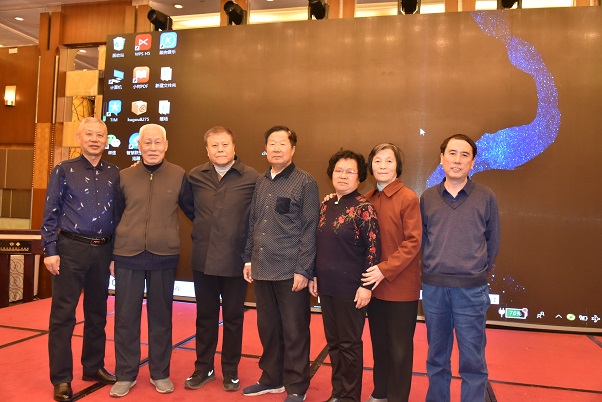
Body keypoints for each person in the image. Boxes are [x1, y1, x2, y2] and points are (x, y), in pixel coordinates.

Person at [109, 124, 194, 397]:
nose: (153, 148)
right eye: (147, 142)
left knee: (161, 318)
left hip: (163, 256)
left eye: (158, 142)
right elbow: (114, 217)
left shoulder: (179, 175)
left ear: (166, 145)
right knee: (125, 319)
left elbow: (195, 212)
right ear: (139, 145)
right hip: (127, 256)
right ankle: (125, 374)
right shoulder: (124, 176)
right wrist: (111, 255)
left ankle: (160, 373)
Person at [41, 117, 118, 402]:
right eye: (89, 134)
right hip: (70, 249)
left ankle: (93, 367)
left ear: (106, 140)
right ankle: (61, 378)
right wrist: (50, 249)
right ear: (79, 137)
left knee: (97, 314)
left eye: (100, 135)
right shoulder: (64, 170)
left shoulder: (115, 173)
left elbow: (119, 217)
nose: (95, 139)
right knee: (63, 317)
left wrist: (115, 254)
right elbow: (50, 211)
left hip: (103, 252)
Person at [420, 134, 500, 402]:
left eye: (464, 155)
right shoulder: (428, 197)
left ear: (472, 162)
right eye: (451, 153)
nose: (457, 160)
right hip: (434, 289)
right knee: (436, 357)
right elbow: (423, 239)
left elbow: (493, 240)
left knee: (473, 361)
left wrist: (475, 272)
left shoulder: (486, 196)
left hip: (471, 290)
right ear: (442, 158)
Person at [242, 125, 320, 402]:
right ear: (266, 148)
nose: (276, 148)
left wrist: (303, 269)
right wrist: (248, 259)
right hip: (262, 267)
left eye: (282, 143)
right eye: (272, 143)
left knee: (295, 331)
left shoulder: (305, 182)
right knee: (269, 328)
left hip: (290, 271)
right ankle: (271, 378)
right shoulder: (261, 181)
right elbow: (254, 222)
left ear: (293, 149)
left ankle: (297, 385)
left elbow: (310, 228)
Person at [184, 126, 259, 392]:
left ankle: (230, 370)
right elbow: (189, 208)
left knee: (233, 319)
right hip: (203, 259)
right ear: (207, 150)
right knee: (204, 318)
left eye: (225, 145)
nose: (220, 150)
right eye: (214, 145)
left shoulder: (252, 177)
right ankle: (203, 367)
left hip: (236, 260)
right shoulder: (194, 176)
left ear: (234, 147)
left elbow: (258, 216)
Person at [310, 150, 380, 402]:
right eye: (339, 170)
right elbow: (320, 244)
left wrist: (366, 287)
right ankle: (338, 393)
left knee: (349, 344)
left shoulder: (364, 208)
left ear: (359, 177)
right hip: (327, 286)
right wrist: (314, 275)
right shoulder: (327, 204)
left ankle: (350, 397)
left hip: (352, 289)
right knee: (334, 343)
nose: (343, 175)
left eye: (350, 172)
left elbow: (373, 250)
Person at [361, 143, 422, 402]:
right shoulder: (366, 198)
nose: (382, 166)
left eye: (388, 161)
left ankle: (397, 397)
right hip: (374, 287)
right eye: (377, 161)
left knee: (400, 349)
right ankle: (380, 392)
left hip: (400, 287)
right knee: (380, 344)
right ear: (371, 165)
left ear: (397, 166)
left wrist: (383, 270)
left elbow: (413, 242)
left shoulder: (408, 198)